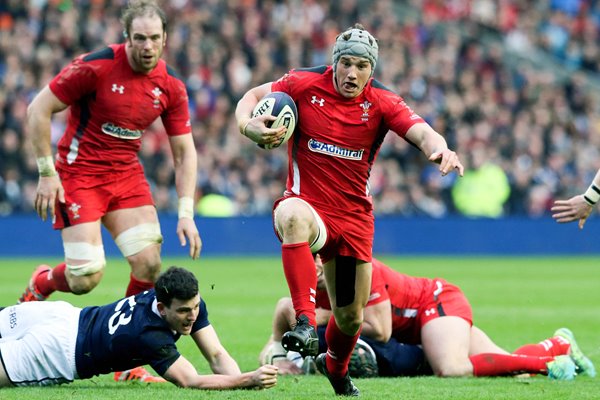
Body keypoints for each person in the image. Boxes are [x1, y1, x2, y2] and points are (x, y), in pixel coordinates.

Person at [235, 23, 464, 395]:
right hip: (308, 206)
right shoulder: (303, 83)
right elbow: (250, 96)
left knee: (351, 317)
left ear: (371, 70)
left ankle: (335, 369)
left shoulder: (383, 101)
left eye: (361, 66)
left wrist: (440, 149)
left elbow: (421, 130)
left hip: (354, 219)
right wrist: (249, 127)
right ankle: (305, 322)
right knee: (291, 215)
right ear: (334, 62)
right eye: (346, 64)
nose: (352, 73)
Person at [20, 0, 201, 382]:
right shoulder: (96, 66)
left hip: (126, 177)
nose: (147, 46)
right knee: (86, 277)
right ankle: (43, 282)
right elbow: (38, 108)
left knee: (150, 265)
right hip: (79, 174)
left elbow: (184, 151)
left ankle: (125, 355)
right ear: (126, 38)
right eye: (139, 38)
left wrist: (186, 211)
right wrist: (45, 172)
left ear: (166, 39)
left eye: (154, 37)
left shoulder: (170, 87)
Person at [260, 257, 595, 381]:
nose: (315, 266)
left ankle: (545, 365)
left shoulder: (360, 271)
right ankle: (558, 344)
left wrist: (327, 316)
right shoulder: (307, 291)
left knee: (451, 369)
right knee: (501, 360)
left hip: (434, 303)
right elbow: (282, 311)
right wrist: (275, 355)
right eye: (309, 260)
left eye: (320, 258)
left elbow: (380, 329)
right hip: (421, 321)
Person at [0, 266, 278, 389]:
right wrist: (247, 379)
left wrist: (244, 384)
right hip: (56, 351)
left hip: (59, 313)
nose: (192, 316)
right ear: (161, 308)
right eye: (183, 311)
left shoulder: (180, 301)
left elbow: (217, 356)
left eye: (195, 307)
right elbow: (190, 380)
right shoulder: (149, 335)